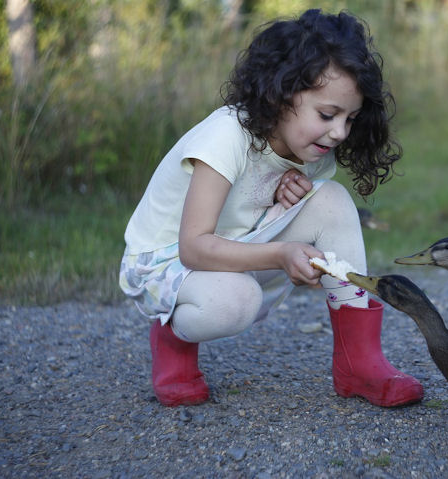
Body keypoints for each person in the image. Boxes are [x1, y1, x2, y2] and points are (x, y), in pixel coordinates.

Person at [118, 9, 423, 409]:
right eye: (327, 115)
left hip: (233, 244)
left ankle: (358, 364)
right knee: (236, 300)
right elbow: (193, 246)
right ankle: (173, 333)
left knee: (331, 199)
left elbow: (245, 210)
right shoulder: (227, 136)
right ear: (281, 94)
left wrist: (280, 199)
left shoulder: (311, 150)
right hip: (166, 260)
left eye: (350, 118)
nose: (340, 132)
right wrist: (281, 253)